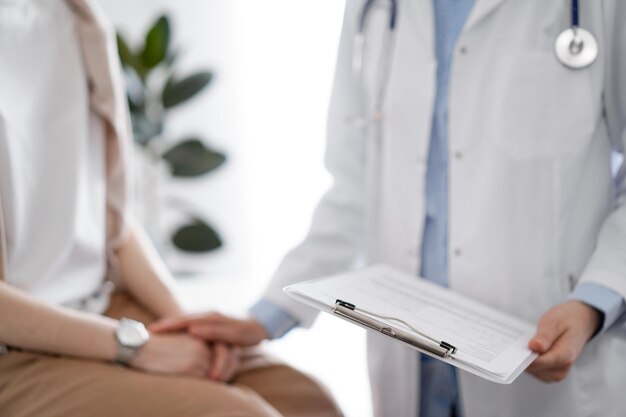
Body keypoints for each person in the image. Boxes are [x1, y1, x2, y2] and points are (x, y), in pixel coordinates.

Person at [151, 1, 626, 416]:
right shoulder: (374, 7)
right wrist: (266, 314)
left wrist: (593, 302)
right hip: (412, 362)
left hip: (546, 355)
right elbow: (356, 186)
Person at [0, 1, 343, 416]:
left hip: (103, 306)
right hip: (15, 347)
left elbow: (111, 220)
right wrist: (134, 347)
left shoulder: (73, 18)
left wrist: (187, 325)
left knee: (306, 401)